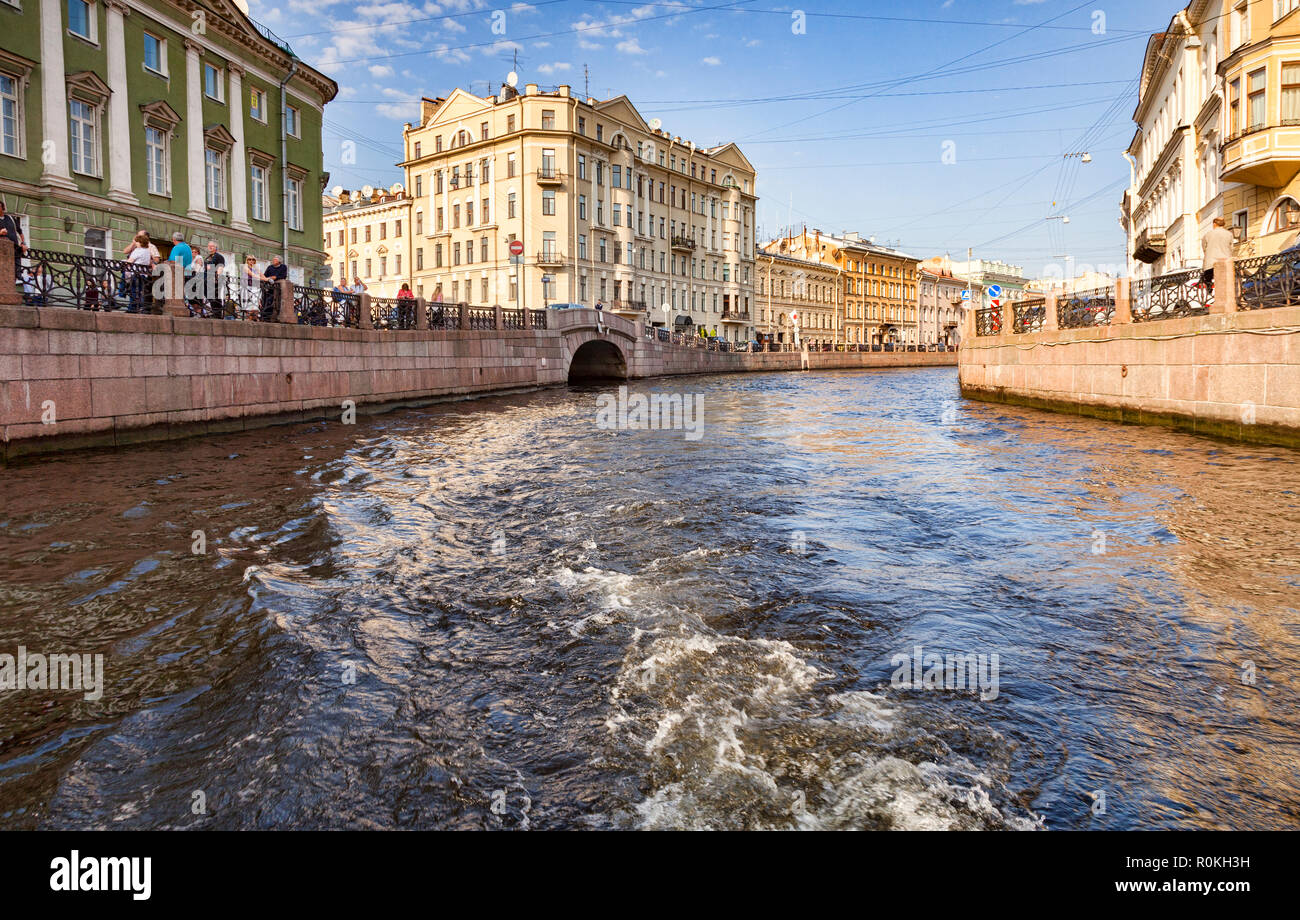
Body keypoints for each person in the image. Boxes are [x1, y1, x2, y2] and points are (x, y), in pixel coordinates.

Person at [123, 231, 156, 313]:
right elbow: (149, 262)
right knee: (140, 291)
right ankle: (139, 306)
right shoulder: (147, 252)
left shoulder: (137, 251)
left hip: (135, 274)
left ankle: (132, 308)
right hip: (143, 275)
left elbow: (129, 261)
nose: (136, 243)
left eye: (137, 242)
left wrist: (124, 263)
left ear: (140, 243)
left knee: (133, 290)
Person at [1201, 217, 1235, 290]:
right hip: (1225, 262)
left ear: (1214, 224)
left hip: (1210, 264)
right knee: (1225, 284)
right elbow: (1231, 248)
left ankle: (1210, 295)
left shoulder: (1207, 235)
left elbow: (1204, 248)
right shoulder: (1229, 234)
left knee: (1208, 282)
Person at [0, 199, 27, 290]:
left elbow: (20, 232)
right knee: (4, 271)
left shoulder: (11, 218)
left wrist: (23, 243)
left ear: (2, 208)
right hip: (2, 251)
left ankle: (11, 289)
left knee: (16, 271)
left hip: (15, 249)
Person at [259, 255, 288, 320]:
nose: (273, 261)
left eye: (275, 260)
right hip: (268, 287)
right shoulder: (270, 267)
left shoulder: (283, 267)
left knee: (274, 303)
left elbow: (283, 276)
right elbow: (265, 276)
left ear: (279, 261)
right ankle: (264, 316)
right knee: (265, 301)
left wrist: (274, 277)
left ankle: (272, 317)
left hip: (278, 288)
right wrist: (269, 278)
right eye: (273, 260)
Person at [203, 241, 226, 319]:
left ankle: (218, 314)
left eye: (212, 246)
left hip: (215, 280)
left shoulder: (219, 256)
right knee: (210, 297)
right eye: (209, 246)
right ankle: (214, 312)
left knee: (216, 297)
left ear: (216, 247)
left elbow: (220, 267)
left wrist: (216, 277)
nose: (210, 247)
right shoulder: (208, 257)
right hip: (206, 279)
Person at [240, 256, 261, 320]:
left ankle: (254, 318)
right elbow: (253, 275)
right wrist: (265, 279)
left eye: (253, 259)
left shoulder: (256, 268)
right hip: (246, 287)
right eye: (249, 259)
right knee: (247, 304)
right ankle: (248, 318)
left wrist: (267, 279)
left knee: (255, 303)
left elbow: (261, 275)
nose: (251, 261)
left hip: (254, 287)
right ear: (247, 260)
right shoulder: (245, 267)